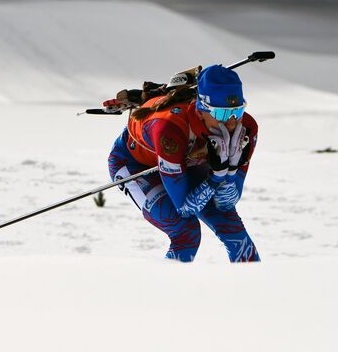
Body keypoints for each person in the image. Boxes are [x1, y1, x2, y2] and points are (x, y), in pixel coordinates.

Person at [107, 64, 260, 262]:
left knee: (235, 233)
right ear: (201, 109)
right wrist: (216, 177)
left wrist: (229, 170)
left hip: (187, 164)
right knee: (186, 232)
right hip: (137, 165)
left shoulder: (246, 128)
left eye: (237, 112)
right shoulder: (170, 129)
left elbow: (227, 204)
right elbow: (185, 208)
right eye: (222, 114)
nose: (231, 124)